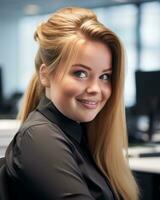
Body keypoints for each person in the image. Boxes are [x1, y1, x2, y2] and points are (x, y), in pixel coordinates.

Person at [4, 7, 139, 200]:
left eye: (104, 76)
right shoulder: (39, 138)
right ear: (46, 75)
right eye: (80, 73)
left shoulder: (80, 135)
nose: (95, 89)